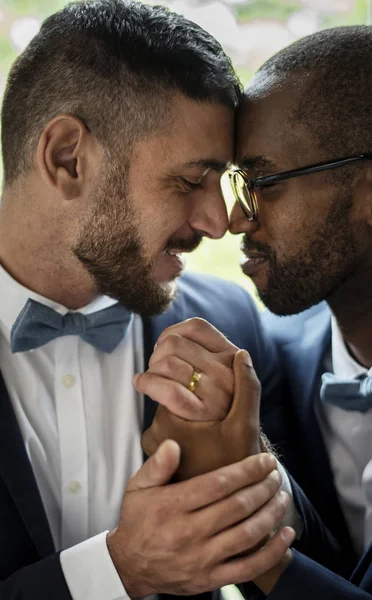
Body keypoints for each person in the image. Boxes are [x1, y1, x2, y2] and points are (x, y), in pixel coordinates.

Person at [0, 0, 294, 598]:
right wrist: (120, 572)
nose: (219, 222)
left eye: (222, 182)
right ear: (68, 158)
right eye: (190, 180)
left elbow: (318, 568)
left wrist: (243, 456)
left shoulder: (232, 326)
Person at [139, 24, 372, 600]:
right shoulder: (279, 359)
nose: (235, 220)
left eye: (262, 182)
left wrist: (233, 495)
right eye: (233, 184)